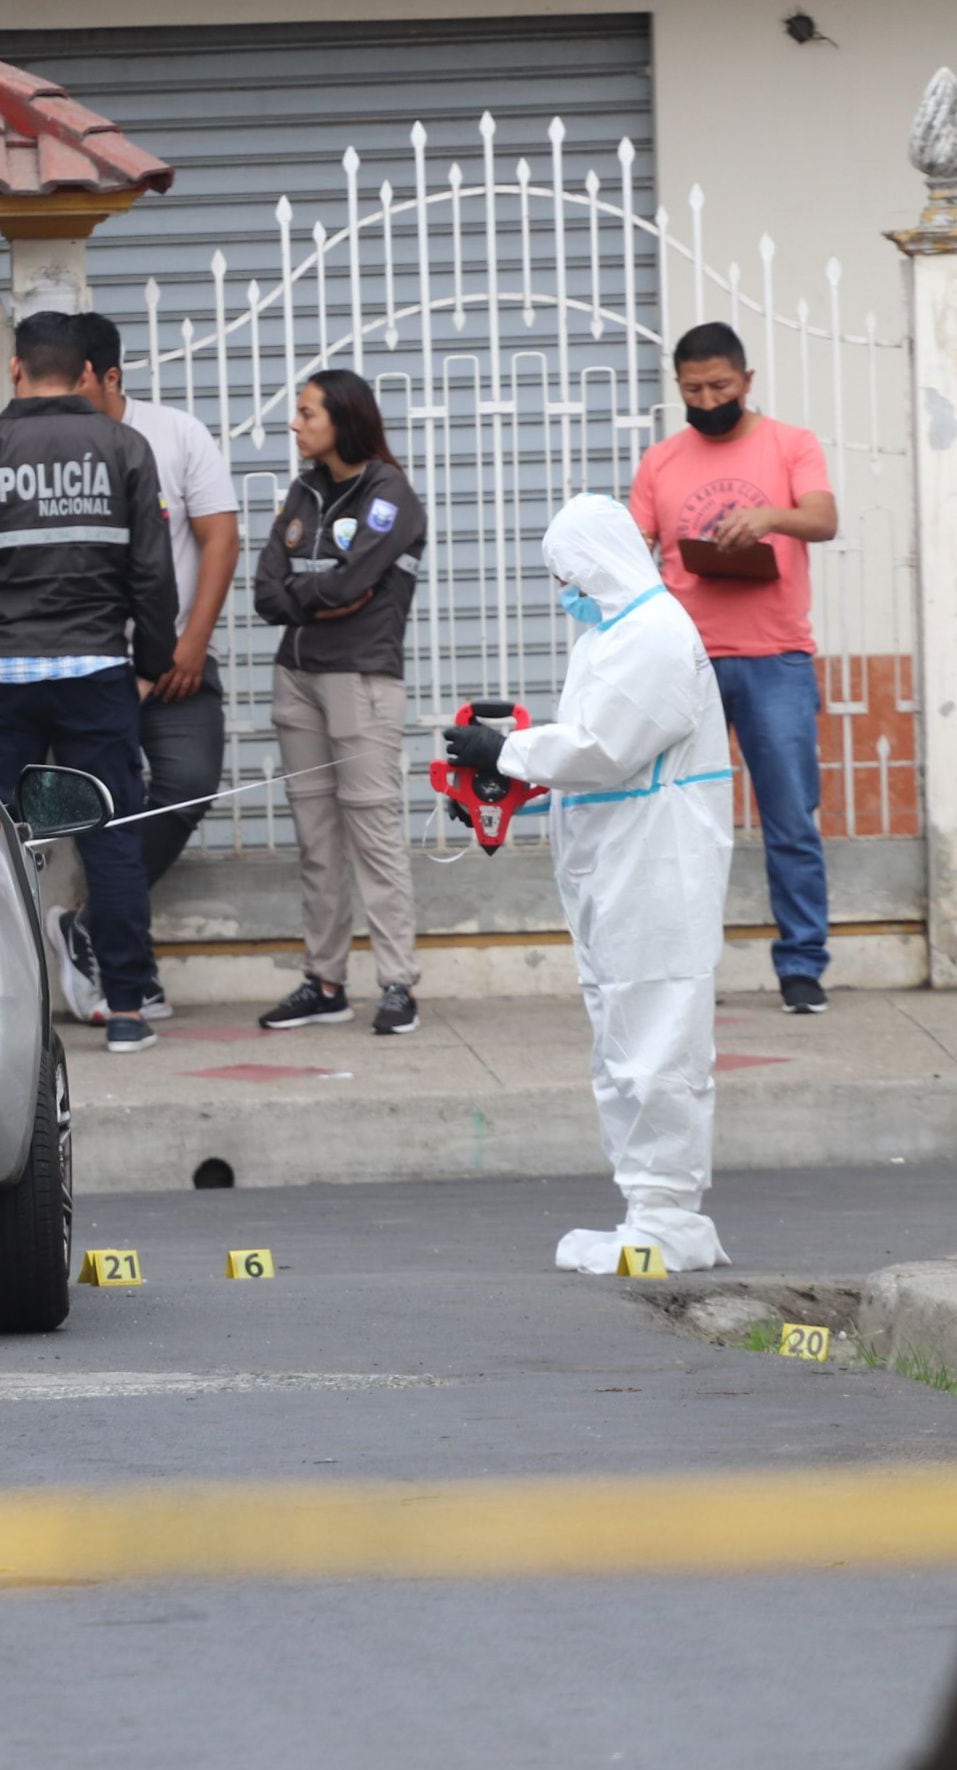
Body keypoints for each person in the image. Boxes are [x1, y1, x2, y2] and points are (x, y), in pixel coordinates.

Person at [448, 494, 734, 1272]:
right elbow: (588, 753)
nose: (562, 591)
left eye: (566, 574)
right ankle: (649, 1209)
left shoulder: (652, 636)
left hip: (656, 868)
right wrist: (501, 771)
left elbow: (603, 748)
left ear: (597, 562)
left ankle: (666, 1217)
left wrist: (501, 753)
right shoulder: (611, 637)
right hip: (620, 867)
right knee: (623, 1038)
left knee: (656, 1039)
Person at [0, 310, 178, 1056]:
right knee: (111, 839)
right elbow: (152, 574)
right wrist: (150, 664)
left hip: (1, 678)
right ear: (85, 372)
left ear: (14, 368)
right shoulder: (124, 448)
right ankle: (127, 1006)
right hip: (97, 672)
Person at [628, 320, 840, 1016]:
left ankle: (802, 966)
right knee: (675, 821)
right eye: (691, 388)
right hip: (685, 659)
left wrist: (766, 517)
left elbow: (822, 518)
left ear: (746, 381)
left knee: (789, 820)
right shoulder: (660, 461)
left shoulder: (790, 444)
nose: (706, 397)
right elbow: (634, 546)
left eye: (719, 385)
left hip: (775, 658)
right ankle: (677, 966)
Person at [41, 311, 245, 1026]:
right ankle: (127, 966)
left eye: (77, 382)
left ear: (107, 376)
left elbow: (219, 537)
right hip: (90, 667)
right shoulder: (53, 448)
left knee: (186, 785)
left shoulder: (176, 434)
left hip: (179, 665)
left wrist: (188, 645)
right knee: (103, 810)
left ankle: (89, 927)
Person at [249, 369, 429, 1037]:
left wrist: (316, 595)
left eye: (305, 413)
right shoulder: (302, 491)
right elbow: (266, 592)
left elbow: (357, 579)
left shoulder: (388, 495)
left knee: (372, 833)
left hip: (359, 677)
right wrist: (322, 600)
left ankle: (396, 983)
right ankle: (323, 982)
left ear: (342, 420)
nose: (293, 424)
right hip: (295, 676)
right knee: (316, 841)